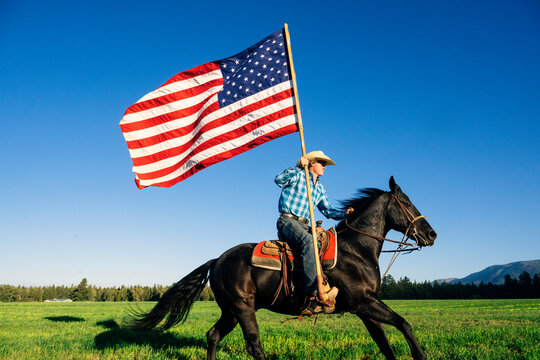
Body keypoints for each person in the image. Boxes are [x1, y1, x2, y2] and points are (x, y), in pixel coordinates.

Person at [275, 150, 353, 315]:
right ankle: (313, 293)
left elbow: (327, 210)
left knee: (323, 243)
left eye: (325, 164)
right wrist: (297, 167)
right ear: (311, 163)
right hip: (288, 220)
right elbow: (278, 180)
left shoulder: (320, 189)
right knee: (309, 241)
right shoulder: (298, 175)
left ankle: (323, 284)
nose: (324, 166)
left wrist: (345, 213)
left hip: (304, 224)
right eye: (321, 162)